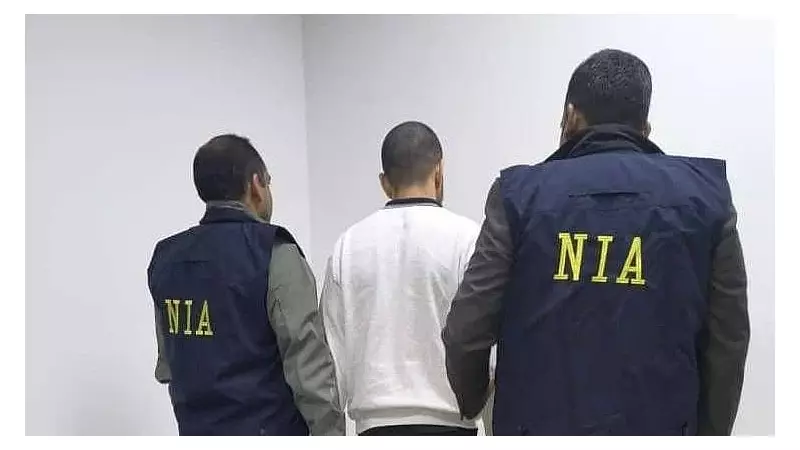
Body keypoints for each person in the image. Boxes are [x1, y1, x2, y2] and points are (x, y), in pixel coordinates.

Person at [442, 49, 750, 436]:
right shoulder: (706, 198)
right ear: (645, 128)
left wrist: (473, 399)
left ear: (570, 116)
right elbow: (728, 343)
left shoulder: (518, 196)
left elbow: (466, 330)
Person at [147, 134, 345, 436]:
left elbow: (169, 366)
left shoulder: (166, 259)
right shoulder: (275, 253)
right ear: (256, 185)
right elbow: (310, 371)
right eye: (268, 181)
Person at [320, 121, 481, 436]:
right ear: (439, 171)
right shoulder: (468, 239)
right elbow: (485, 347)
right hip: (451, 426)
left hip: (373, 429)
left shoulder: (348, 245)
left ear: (384, 182)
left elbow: (331, 361)